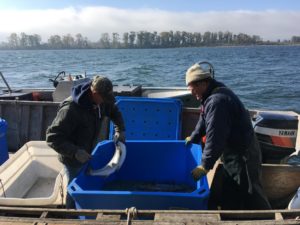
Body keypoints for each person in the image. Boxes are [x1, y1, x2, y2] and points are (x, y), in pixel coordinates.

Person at [185, 62, 271, 210]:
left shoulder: (217, 101)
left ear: (203, 83)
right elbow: (204, 119)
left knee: (251, 193)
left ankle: (269, 219)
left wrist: (205, 166)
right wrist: (194, 137)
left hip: (243, 154)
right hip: (231, 153)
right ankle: (231, 216)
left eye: (193, 90)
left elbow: (215, 137)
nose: (192, 94)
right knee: (231, 191)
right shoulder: (210, 94)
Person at [46, 75, 125, 209]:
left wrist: (120, 129)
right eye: (104, 98)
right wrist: (75, 152)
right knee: (74, 188)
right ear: (94, 93)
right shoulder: (71, 109)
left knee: (87, 181)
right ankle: (71, 214)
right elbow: (52, 137)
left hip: (89, 151)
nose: (106, 101)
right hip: (72, 158)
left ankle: (85, 206)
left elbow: (114, 111)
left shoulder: (102, 101)